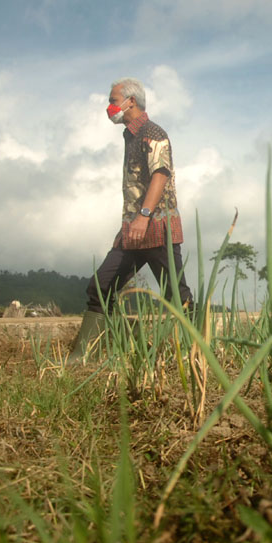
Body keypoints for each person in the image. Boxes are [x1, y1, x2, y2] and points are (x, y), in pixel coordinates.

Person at [70, 77, 194, 361]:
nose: (109, 107)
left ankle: (193, 353)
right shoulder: (130, 135)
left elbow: (160, 174)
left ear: (131, 102)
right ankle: (89, 353)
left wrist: (144, 217)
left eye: (113, 101)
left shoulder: (153, 133)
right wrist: (130, 224)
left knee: (177, 295)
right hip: (132, 231)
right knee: (101, 286)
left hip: (156, 227)